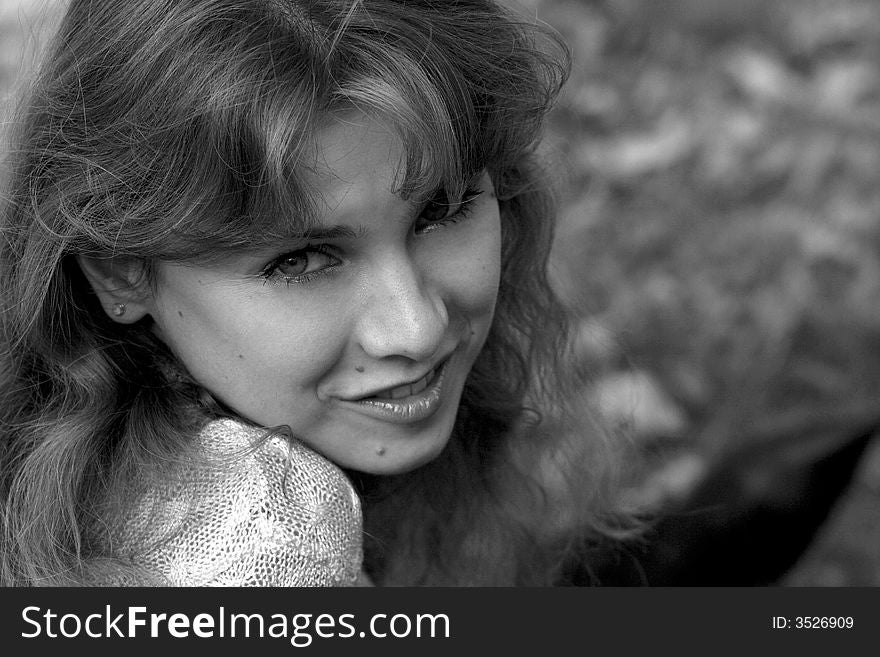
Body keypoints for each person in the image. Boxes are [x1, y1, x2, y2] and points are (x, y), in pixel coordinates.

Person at [0, 0, 627, 586]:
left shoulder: (69, 473)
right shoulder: (271, 537)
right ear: (120, 272)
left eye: (445, 207)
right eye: (300, 260)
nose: (417, 328)